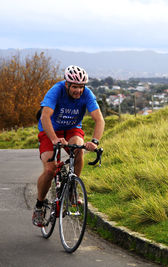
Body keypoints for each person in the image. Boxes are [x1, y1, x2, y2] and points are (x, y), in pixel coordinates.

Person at [32, 65, 105, 227]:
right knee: (50, 170)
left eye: (81, 87)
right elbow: (45, 116)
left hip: (72, 129)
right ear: (67, 84)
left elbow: (99, 119)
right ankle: (39, 204)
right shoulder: (56, 91)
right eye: (74, 87)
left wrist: (94, 141)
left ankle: (72, 188)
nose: (78, 90)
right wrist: (53, 138)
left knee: (79, 150)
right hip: (49, 130)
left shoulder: (87, 94)